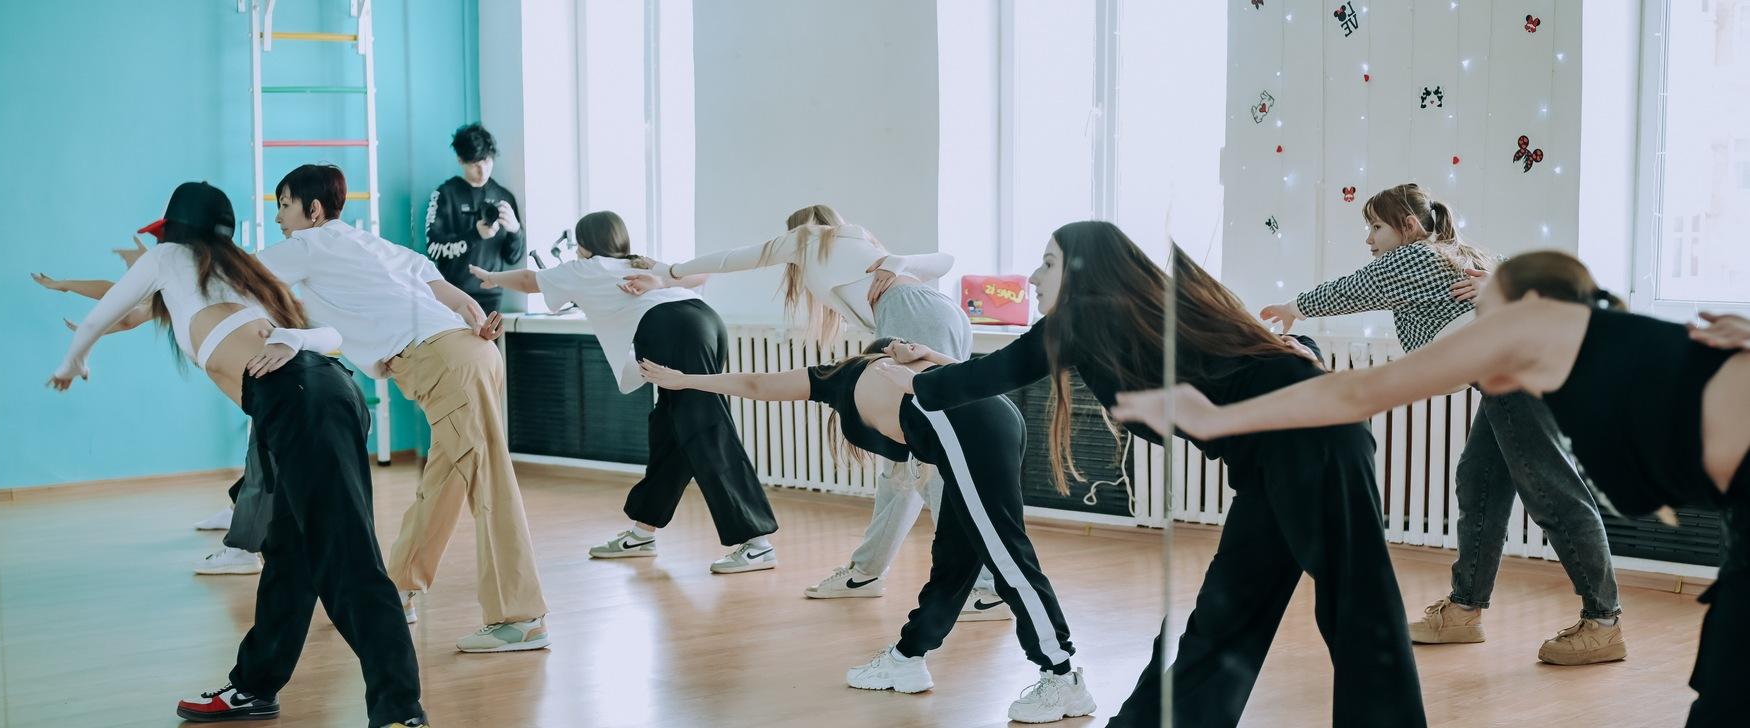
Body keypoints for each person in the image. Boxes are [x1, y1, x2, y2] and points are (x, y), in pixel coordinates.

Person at [1111, 251, 1750, 728]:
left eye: (1478, 302)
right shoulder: (1590, 355)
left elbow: (1356, 392)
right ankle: (1468, 607)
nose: (1469, 322)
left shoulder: (1532, 327)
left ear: (1525, 299)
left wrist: (1215, 418)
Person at [874, 222, 1427, 727]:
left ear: (1085, 270)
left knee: (1355, 603)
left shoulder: (1089, 317)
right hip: (1270, 453)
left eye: (1048, 262)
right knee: (1227, 614)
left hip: (1311, 434)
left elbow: (993, 374)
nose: (1034, 276)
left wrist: (908, 382)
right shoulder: (1123, 318)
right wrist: (931, 368)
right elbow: (995, 369)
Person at [47, 181, 427, 727]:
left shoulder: (167, 258)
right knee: (289, 554)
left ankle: (399, 712)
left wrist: (73, 362)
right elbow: (330, 336)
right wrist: (295, 339)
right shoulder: (241, 275)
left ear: (172, 231)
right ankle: (254, 687)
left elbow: (103, 315)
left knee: (345, 558)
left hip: (301, 403)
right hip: (318, 395)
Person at [639, 337, 1096, 724]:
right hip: (992, 416)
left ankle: (1061, 676)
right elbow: (962, 376)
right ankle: (907, 658)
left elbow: (757, 384)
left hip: (960, 422)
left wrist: (686, 380)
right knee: (956, 557)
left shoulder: (840, 376)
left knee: (1005, 554)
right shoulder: (903, 366)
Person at [1265, 182, 1625, 664]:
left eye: (1375, 227)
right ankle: (1464, 610)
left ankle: (1603, 622)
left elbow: (1352, 290)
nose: (1369, 239)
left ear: (1409, 226)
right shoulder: (1451, 252)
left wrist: (1293, 308)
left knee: (1550, 490)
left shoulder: (1412, 258)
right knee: (1479, 481)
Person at [635, 204, 1006, 618]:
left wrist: (669, 271)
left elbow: (731, 259)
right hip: (940, 314)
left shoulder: (808, 239)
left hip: (913, 318)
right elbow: (945, 262)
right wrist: (897, 262)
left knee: (931, 463)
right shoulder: (859, 247)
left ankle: (987, 587)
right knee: (905, 464)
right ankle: (866, 573)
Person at [257, 164, 551, 654]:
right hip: (468, 354)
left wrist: (166, 266)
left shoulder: (308, 245)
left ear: (313, 209)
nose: (279, 218)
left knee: (488, 481)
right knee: (445, 479)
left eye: (284, 206)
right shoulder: (369, 243)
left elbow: (234, 275)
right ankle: (399, 588)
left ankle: (520, 618)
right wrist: (474, 317)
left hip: (444, 362)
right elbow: (445, 288)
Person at [470, 211, 781, 573]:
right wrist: (659, 280)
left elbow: (528, 280)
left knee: (704, 426)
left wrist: (492, 277)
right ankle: (642, 532)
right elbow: (700, 274)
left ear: (585, 243)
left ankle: (757, 542)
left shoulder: (583, 268)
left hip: (674, 330)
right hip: (704, 321)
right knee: (670, 430)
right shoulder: (638, 262)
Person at [33, 270, 264, 576]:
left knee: (267, 467)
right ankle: (240, 518)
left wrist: (76, 304)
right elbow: (124, 307)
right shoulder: (179, 293)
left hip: (273, 391)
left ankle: (244, 546)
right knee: (263, 464)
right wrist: (69, 292)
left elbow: (121, 299)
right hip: (263, 397)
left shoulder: (204, 286)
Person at [424, 123, 526, 313]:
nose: (483, 171)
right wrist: (475, 235)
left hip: (492, 294)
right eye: (475, 165)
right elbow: (433, 249)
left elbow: (513, 258)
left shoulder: (504, 196)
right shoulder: (445, 194)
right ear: (460, 160)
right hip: (452, 293)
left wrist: (515, 231)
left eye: (486, 162)